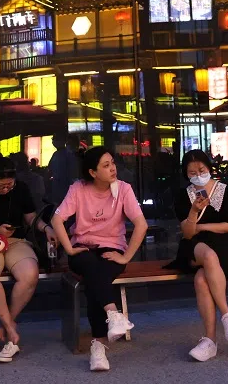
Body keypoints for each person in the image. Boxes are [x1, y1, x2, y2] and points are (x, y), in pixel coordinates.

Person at [51, 146, 148, 372]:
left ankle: (99, 346)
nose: (113, 168)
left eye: (112, 163)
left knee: (98, 275)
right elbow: (57, 220)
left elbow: (141, 224)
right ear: (93, 172)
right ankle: (112, 317)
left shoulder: (123, 189)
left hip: (112, 249)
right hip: (82, 249)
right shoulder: (78, 189)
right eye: (106, 166)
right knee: (93, 269)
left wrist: (125, 257)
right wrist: (70, 248)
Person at [0, 154, 56, 363]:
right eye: (2, 186)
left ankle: (7, 326)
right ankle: (11, 331)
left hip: (15, 240)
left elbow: (31, 218)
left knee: (29, 274)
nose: (6, 189)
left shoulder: (21, 189)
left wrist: (47, 228)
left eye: (10, 185)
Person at [165, 149, 228, 362]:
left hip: (220, 247)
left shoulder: (225, 191)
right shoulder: (184, 196)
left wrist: (202, 226)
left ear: (209, 167)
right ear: (186, 174)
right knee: (207, 256)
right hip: (193, 247)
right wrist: (193, 212)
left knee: (201, 279)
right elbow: (188, 233)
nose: (198, 175)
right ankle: (227, 314)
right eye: (192, 172)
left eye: (201, 169)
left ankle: (210, 341)